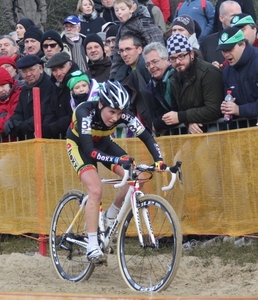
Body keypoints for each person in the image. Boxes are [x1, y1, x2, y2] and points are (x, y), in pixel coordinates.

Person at [66, 80, 165, 262]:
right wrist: (116, 160)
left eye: (119, 113)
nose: (115, 117)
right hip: (80, 146)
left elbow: (146, 135)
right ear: (101, 104)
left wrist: (159, 160)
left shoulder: (122, 115)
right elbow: (90, 151)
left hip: (103, 143)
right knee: (95, 189)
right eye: (112, 112)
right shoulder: (84, 112)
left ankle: (110, 216)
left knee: (139, 177)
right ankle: (92, 245)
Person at [148, 34, 223, 134]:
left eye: (181, 56)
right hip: (197, 128)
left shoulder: (208, 72)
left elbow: (213, 110)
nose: (178, 61)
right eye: (173, 58)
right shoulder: (174, 78)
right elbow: (181, 109)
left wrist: (181, 117)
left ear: (191, 54)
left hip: (218, 127)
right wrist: (188, 122)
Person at [4, 55, 56, 139]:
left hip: (45, 137)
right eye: (24, 71)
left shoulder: (49, 85)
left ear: (40, 68)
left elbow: (43, 113)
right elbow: (19, 112)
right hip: (28, 136)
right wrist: (12, 121)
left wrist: (21, 126)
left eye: (31, 70)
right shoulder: (25, 88)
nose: (28, 74)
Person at [109, 0, 164, 80]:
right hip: (131, 66)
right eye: (116, 10)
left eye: (122, 9)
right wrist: (112, 78)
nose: (119, 13)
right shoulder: (121, 29)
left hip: (147, 63)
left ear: (131, 9)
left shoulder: (143, 22)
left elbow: (156, 44)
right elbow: (117, 57)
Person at [217, 27, 258, 126]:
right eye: (223, 50)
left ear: (242, 45)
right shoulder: (227, 71)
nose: (226, 54)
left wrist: (239, 110)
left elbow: (238, 109)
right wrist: (228, 108)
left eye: (230, 49)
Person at [42, 52, 80, 139]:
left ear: (70, 65)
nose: (58, 73)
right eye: (54, 70)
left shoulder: (79, 83)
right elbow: (51, 110)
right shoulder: (55, 85)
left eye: (61, 68)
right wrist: (46, 128)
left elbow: (77, 114)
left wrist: (52, 128)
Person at [200, 0, 242, 65]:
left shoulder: (247, 39)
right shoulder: (208, 43)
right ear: (221, 18)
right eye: (233, 16)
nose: (238, 19)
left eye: (240, 15)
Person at [0, 67, 22, 140]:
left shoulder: (19, 93)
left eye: (3, 85)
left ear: (10, 83)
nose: (0, 90)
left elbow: (12, 118)